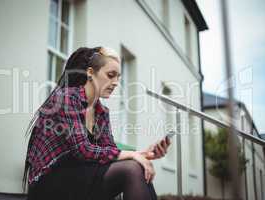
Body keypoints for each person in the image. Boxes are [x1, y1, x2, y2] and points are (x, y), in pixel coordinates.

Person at [22, 46, 171, 200]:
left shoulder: (102, 112)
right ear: (90, 72)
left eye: (118, 77)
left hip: (80, 176)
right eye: (110, 75)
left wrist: (144, 154)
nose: (115, 83)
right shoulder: (65, 98)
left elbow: (110, 151)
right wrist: (133, 155)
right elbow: (83, 149)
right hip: (48, 182)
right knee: (131, 169)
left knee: (137, 167)